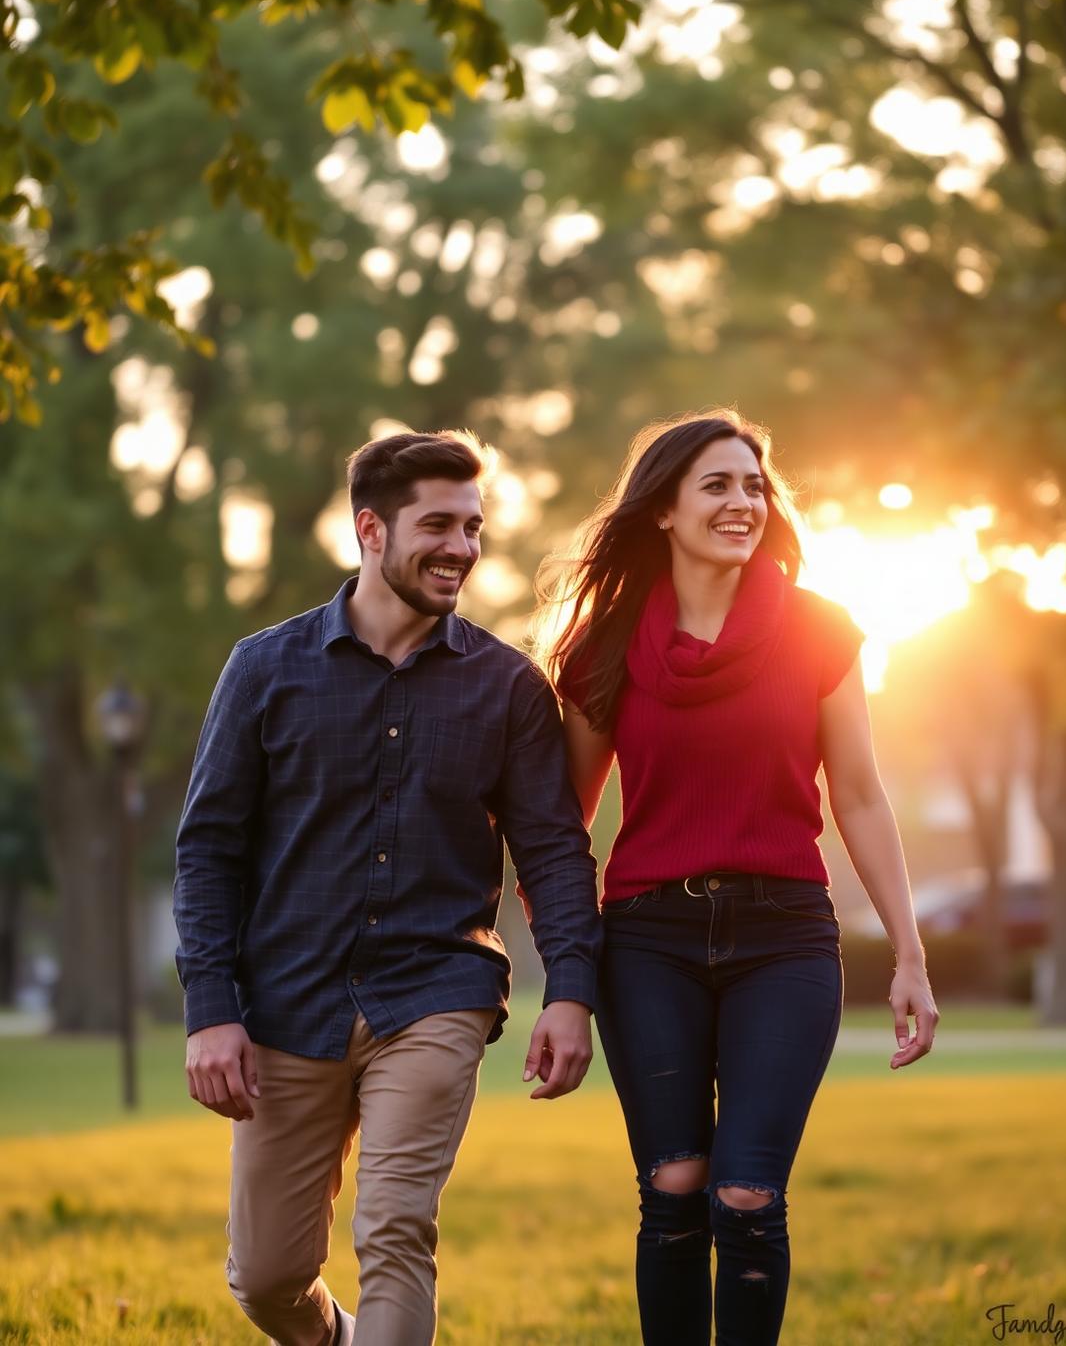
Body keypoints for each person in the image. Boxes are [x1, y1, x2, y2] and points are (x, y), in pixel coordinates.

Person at [174, 430, 601, 1346]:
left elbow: (555, 852)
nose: (463, 547)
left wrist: (571, 990)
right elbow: (207, 847)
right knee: (269, 1274)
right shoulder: (265, 669)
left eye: (475, 526)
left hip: (434, 993)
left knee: (397, 1230)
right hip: (287, 1002)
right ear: (371, 529)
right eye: (438, 524)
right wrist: (211, 1006)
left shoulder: (509, 687)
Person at [533, 410, 939, 1346]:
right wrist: (568, 977)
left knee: (748, 1193)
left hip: (784, 937)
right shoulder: (604, 650)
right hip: (647, 941)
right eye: (716, 485)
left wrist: (909, 955)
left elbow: (865, 800)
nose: (743, 502)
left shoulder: (820, 632)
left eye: (754, 485)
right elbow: (561, 829)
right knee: (673, 1189)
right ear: (664, 510)